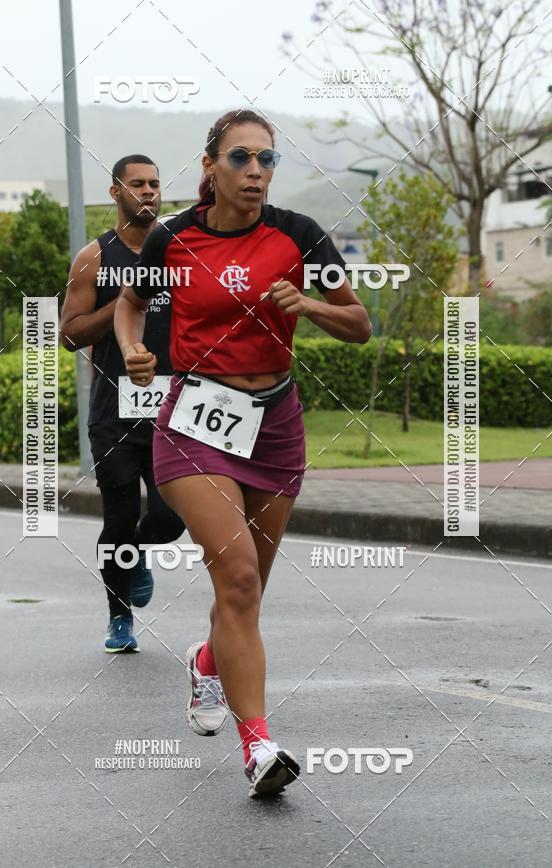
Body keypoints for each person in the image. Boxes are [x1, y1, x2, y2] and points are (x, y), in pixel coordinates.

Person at [114, 111, 371, 797]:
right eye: (241, 158)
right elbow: (130, 303)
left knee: (245, 587)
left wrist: (310, 307)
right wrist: (136, 349)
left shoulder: (298, 235)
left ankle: (206, 658)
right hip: (197, 420)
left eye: (267, 160)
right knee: (239, 579)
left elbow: (360, 325)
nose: (256, 171)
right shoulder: (173, 236)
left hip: (276, 424)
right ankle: (259, 747)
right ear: (210, 168)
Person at [60, 154, 184, 654]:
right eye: (138, 184)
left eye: (155, 183)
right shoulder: (94, 258)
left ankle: (140, 552)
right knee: (117, 521)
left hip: (174, 410)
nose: (150, 192)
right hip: (113, 412)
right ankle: (119, 619)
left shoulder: (181, 253)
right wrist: (125, 302)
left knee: (173, 516)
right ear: (116, 193)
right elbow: (69, 334)